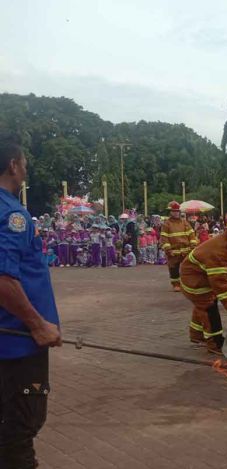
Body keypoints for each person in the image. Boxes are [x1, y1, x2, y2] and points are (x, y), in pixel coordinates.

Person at [0, 141, 62, 469]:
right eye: (24, 162)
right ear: (13, 165)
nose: (26, 168)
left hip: (10, 339)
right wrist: (38, 325)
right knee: (21, 426)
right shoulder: (11, 213)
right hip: (18, 343)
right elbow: (3, 279)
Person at [179, 209, 227, 354]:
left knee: (203, 305)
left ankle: (197, 335)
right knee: (209, 306)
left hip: (202, 276)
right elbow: (219, 283)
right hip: (194, 280)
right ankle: (214, 343)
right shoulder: (219, 250)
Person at [160, 201, 198, 291]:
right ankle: (176, 284)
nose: (176, 213)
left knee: (188, 268)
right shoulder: (167, 224)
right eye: (174, 211)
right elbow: (164, 238)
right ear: (170, 212)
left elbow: (191, 235)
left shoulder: (185, 223)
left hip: (186, 250)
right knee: (174, 268)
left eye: (177, 211)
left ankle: (187, 284)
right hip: (174, 251)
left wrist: (193, 245)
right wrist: (168, 250)